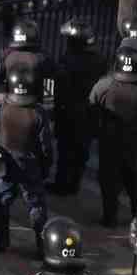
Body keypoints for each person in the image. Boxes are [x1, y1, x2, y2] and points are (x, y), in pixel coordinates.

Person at [88, 40, 137, 226]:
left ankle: (109, 217)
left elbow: (91, 109)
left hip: (109, 142)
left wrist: (98, 131)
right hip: (136, 143)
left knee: (108, 182)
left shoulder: (104, 85)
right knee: (136, 183)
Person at [0, 66, 54, 254]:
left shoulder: (0, 108)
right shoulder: (38, 113)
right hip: (30, 167)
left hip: (4, 167)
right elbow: (46, 146)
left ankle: (2, 243)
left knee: (1, 204)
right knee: (36, 206)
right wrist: (45, 168)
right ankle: (42, 248)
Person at [50, 21, 104, 195]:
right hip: (90, 111)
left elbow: (55, 87)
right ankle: (74, 183)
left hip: (69, 111)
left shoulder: (67, 61)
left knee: (65, 150)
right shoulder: (99, 60)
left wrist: (51, 109)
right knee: (82, 150)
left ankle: (62, 184)